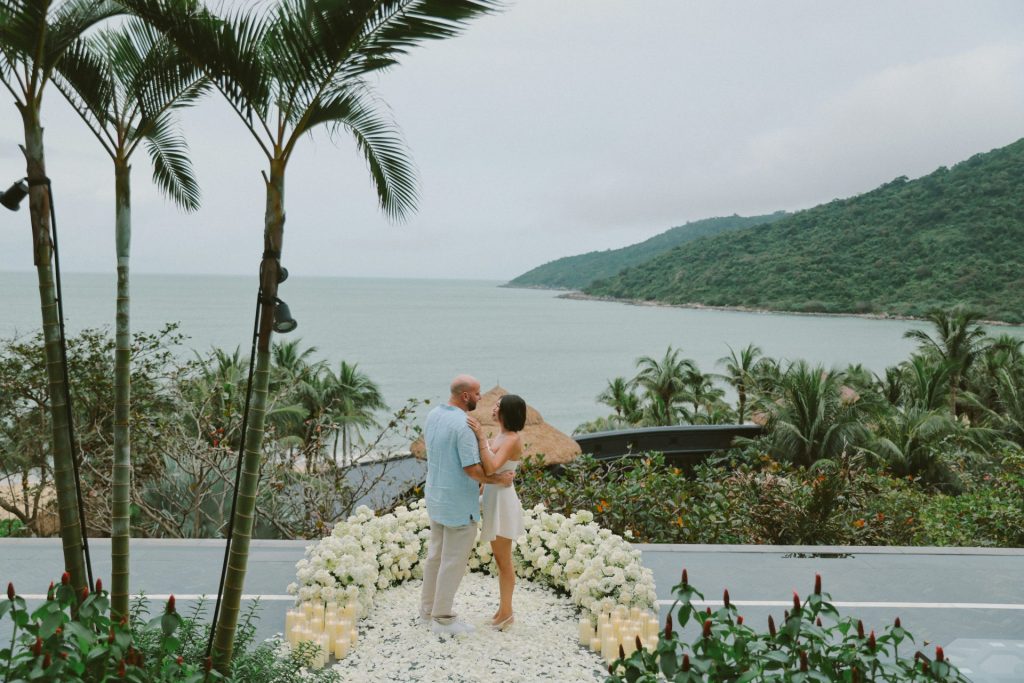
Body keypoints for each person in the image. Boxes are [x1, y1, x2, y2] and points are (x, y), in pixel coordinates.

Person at [420, 375, 514, 636]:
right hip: (458, 504)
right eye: (477, 393)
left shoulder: (434, 414)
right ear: (465, 396)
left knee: (435, 557)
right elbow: (473, 469)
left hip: (436, 497)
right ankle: (443, 619)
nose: (481, 397)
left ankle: (427, 611)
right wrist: (497, 479)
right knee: (453, 561)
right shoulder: (464, 426)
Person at [468, 394, 526, 631]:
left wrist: (481, 436)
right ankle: (502, 610)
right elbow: (489, 471)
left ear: (506, 412)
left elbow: (491, 466)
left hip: (503, 502)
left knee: (504, 562)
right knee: (500, 561)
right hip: (494, 497)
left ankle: (507, 612)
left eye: (498, 406)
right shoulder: (501, 435)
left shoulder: (512, 438)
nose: (493, 408)